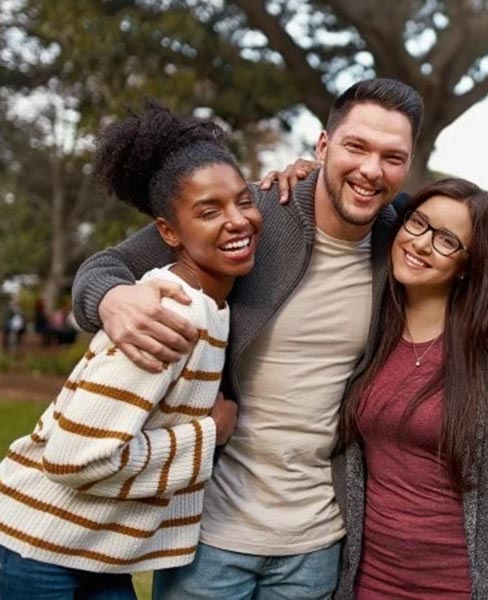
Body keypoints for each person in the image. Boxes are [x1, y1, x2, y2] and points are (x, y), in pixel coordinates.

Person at [70, 78, 424, 599]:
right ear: (322, 147)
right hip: (209, 534)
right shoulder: (252, 214)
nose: (372, 170)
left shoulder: (401, 245)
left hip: (317, 542)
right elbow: (104, 267)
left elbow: (468, 240)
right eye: (356, 147)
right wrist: (111, 300)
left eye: (393, 157)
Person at [0, 102, 253, 597]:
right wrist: (209, 433)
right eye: (209, 211)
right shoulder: (171, 312)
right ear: (168, 232)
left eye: (243, 201)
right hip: (37, 547)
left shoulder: (210, 307)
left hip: (95, 550)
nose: (238, 220)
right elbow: (74, 459)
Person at [335, 178, 488, 599]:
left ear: (469, 263)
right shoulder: (370, 325)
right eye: (418, 223)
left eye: (448, 240)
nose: (421, 244)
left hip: (458, 583)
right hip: (369, 580)